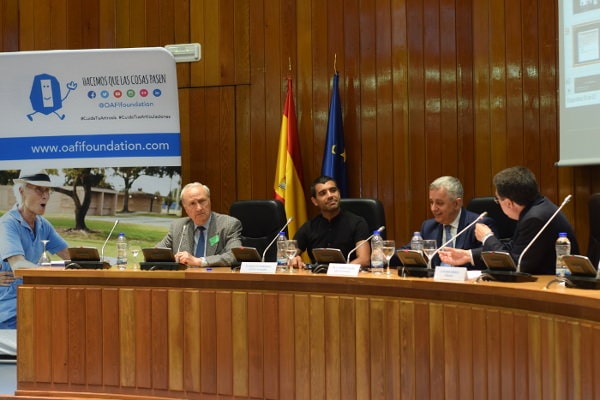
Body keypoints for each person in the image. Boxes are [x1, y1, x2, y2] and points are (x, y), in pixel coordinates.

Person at [439, 166, 579, 275]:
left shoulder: (535, 218)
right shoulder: (536, 208)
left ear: (509, 203)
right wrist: (468, 255)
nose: (498, 203)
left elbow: (515, 264)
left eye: (497, 200)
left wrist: (487, 237)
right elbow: (514, 249)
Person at [0, 169, 70, 332]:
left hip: (32, 306)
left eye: (47, 190)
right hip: (8, 314)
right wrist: (50, 270)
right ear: (21, 191)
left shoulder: (43, 224)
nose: (45, 195)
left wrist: (97, 260)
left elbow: (69, 255)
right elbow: (18, 265)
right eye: (39, 189)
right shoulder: (8, 224)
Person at [407, 176, 497, 269]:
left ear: (456, 204)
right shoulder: (429, 226)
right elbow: (409, 251)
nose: (433, 208)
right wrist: (391, 253)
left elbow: (492, 255)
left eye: (439, 203)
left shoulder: (478, 225)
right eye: (431, 202)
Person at [291, 176, 371, 269]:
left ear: (339, 193)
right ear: (314, 201)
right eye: (323, 193)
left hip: (349, 279)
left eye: (333, 190)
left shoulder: (357, 223)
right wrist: (294, 259)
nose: (330, 195)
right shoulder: (309, 227)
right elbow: (288, 255)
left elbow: (364, 259)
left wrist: (338, 271)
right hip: (317, 279)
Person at [157, 182, 242, 267]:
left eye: (202, 201)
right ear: (186, 209)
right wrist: (173, 259)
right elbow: (156, 254)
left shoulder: (228, 224)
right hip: (185, 278)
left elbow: (234, 255)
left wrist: (199, 261)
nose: (199, 208)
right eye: (192, 203)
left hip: (214, 278)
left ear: (209, 201)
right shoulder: (178, 226)